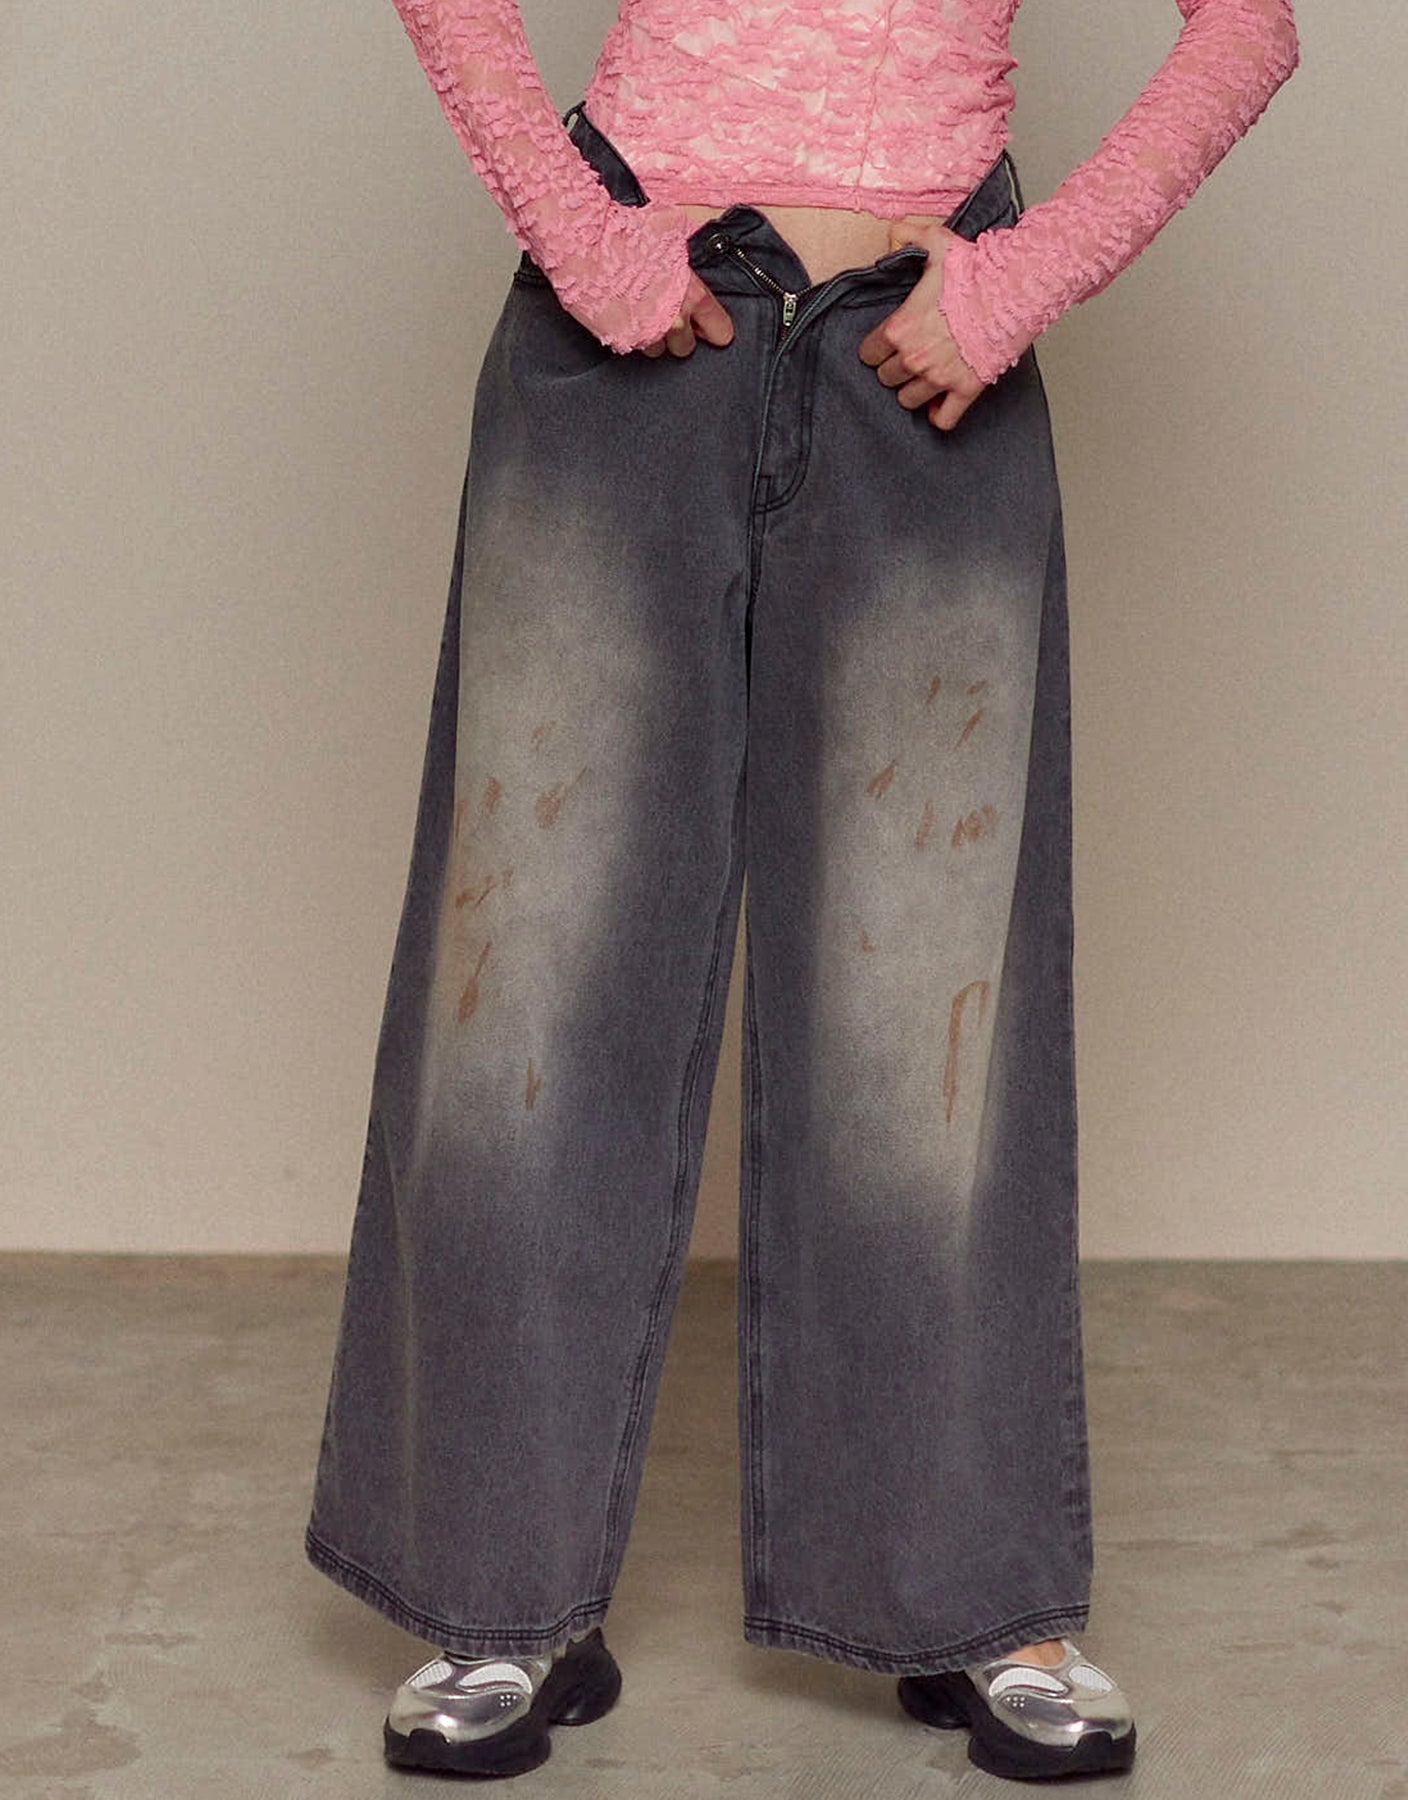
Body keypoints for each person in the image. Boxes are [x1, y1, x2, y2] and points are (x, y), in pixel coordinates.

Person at [303, 0, 1299, 1783]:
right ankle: (493, 1595)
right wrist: (584, 240)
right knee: (524, 976)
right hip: (631, 334)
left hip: (924, 357)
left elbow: (1250, 27)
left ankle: (974, 1599)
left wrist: (1021, 280)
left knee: (928, 1006)